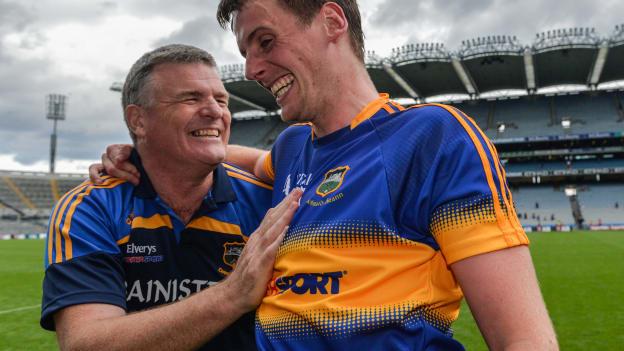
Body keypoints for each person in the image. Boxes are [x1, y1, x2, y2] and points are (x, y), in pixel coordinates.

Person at [92, 1, 558, 350]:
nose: (252, 69)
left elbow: (524, 339)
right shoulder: (294, 147)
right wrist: (140, 150)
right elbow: (243, 159)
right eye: (247, 51)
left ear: (333, 22)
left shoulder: (432, 137)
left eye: (266, 41)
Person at [42, 44, 303, 351]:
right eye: (191, 98)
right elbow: (86, 345)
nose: (215, 111)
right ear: (138, 120)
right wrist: (233, 294)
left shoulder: (270, 201)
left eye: (221, 100)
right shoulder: (92, 207)